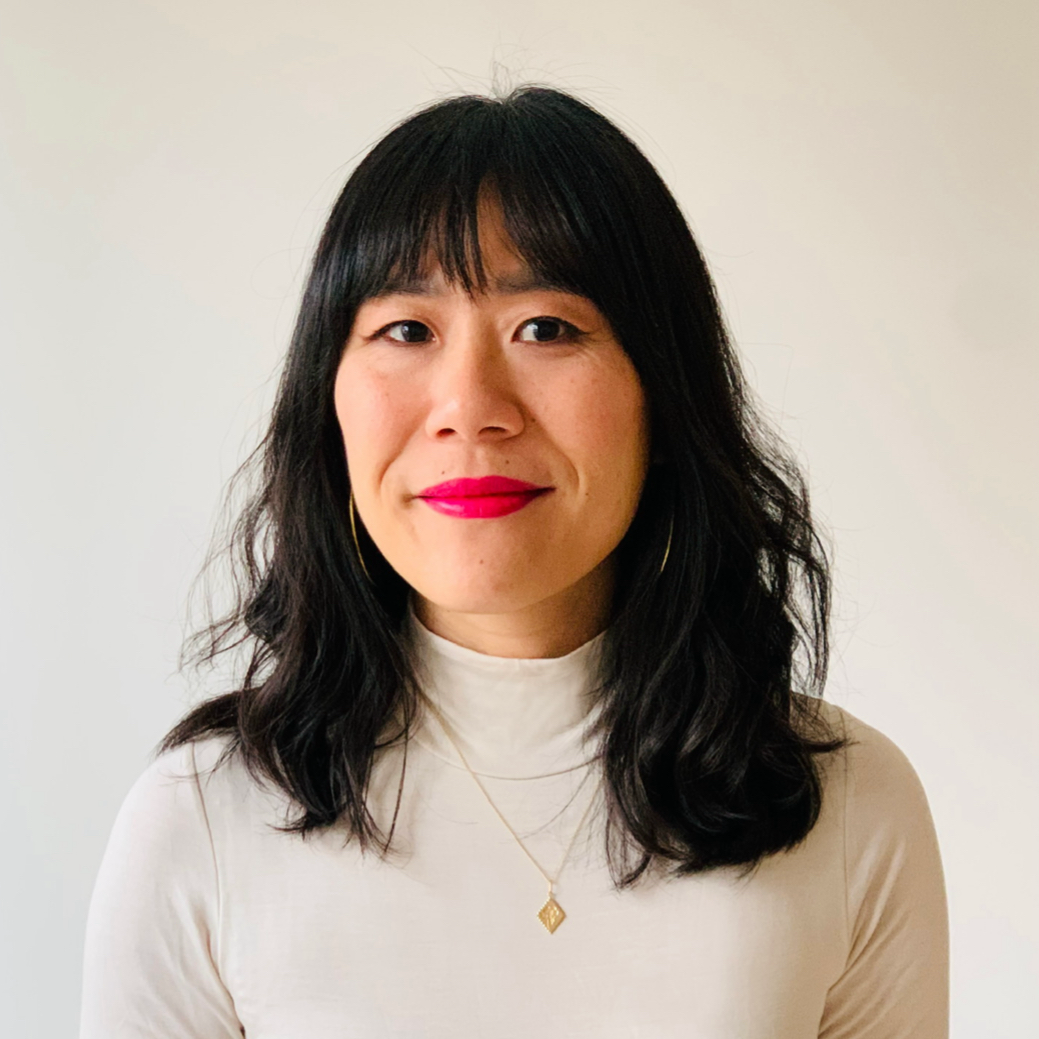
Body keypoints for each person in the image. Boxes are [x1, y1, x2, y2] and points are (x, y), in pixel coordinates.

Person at [79, 86, 948, 1038]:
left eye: (545, 327)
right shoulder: (203, 820)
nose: (469, 407)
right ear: (327, 402)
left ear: (664, 396)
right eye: (407, 330)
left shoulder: (847, 807)